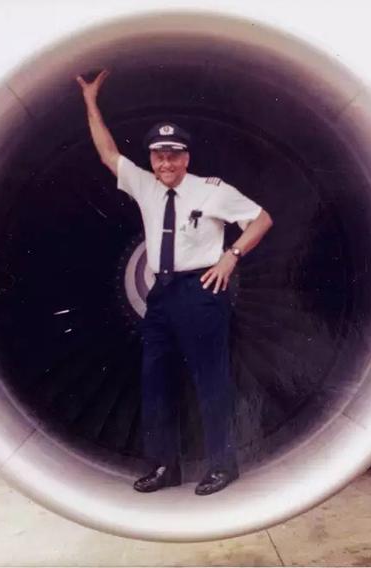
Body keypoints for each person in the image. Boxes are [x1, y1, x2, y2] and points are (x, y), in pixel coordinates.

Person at [76, 70, 274, 496]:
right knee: (156, 381)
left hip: (201, 294)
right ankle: (165, 466)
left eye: (174, 155)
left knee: (210, 381)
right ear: (152, 159)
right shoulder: (146, 186)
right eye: (158, 155)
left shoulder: (212, 191)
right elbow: (108, 153)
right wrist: (91, 103)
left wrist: (230, 256)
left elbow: (261, 220)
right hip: (161, 294)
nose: (166, 163)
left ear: (186, 157)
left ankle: (223, 465)